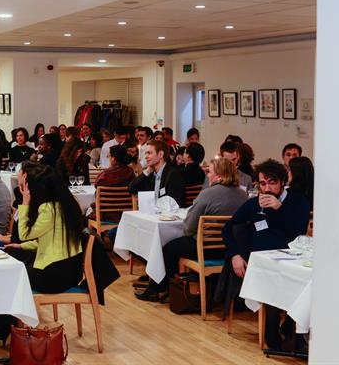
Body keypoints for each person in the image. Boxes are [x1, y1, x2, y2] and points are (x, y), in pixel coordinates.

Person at [222, 159, 310, 350]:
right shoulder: (254, 204)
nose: (267, 188)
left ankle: (292, 326)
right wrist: (235, 254)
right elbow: (228, 228)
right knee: (272, 278)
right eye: (262, 183)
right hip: (261, 261)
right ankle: (273, 332)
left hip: (291, 257)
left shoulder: (298, 202)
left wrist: (280, 209)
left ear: (282, 182)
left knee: (302, 279)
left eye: (272, 182)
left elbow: (298, 233)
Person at [135, 158, 247, 301]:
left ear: (219, 176)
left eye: (209, 172)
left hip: (205, 248)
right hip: (231, 249)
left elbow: (188, 228)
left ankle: (165, 289)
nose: (207, 175)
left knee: (167, 249)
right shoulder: (243, 195)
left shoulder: (208, 194)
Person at [9, 165, 84, 293]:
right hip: (71, 269)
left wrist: (25, 202)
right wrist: (20, 246)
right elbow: (51, 240)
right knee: (16, 258)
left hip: (55, 273)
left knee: (13, 271)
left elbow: (24, 234)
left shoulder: (48, 209)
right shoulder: (65, 204)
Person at [129, 140, 186, 208]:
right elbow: (131, 189)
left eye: (149, 153)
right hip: (152, 212)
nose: (146, 156)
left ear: (160, 154)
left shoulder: (173, 174)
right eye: (145, 153)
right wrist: (147, 171)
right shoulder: (150, 175)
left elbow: (174, 203)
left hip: (168, 213)